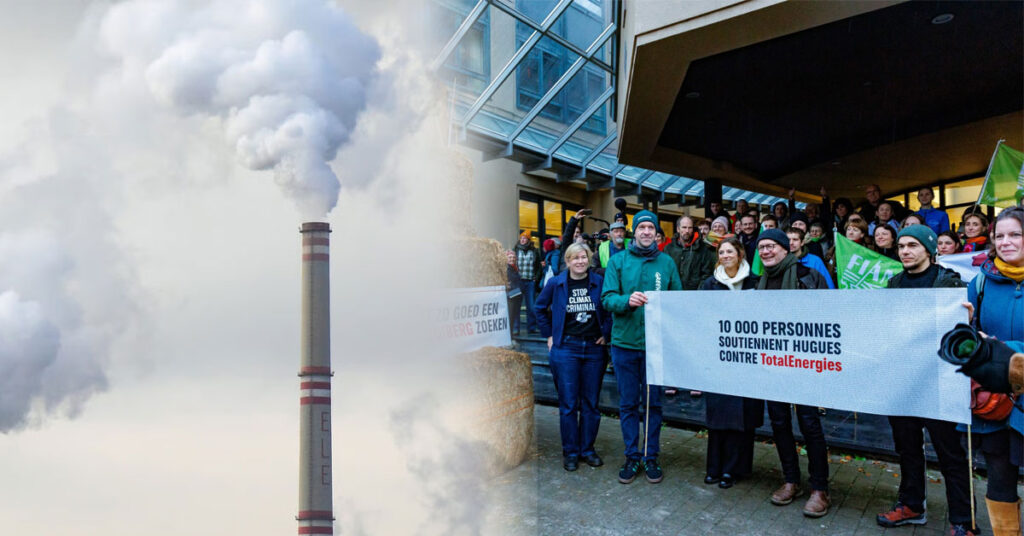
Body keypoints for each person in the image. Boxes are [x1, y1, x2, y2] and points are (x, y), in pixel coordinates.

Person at [877, 226, 977, 535]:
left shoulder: (951, 283)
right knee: (907, 447)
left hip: (940, 383)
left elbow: (966, 335)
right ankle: (912, 505)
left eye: (913, 245)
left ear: (929, 249)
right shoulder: (893, 284)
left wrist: (969, 321)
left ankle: (963, 519)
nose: (905, 251)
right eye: (902, 245)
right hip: (904, 382)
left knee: (950, 454)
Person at [754, 229, 832, 518]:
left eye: (771, 246)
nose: (765, 251)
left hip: (804, 365)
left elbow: (826, 317)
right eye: (761, 247)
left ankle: (819, 488)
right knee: (778, 422)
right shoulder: (758, 282)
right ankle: (791, 481)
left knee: (810, 424)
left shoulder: (809, 277)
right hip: (772, 365)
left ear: (786, 249)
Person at [601, 210, 682, 485]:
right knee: (627, 403)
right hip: (624, 344)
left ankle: (651, 456)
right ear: (634, 232)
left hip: (655, 346)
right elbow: (607, 299)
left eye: (651, 228)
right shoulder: (618, 261)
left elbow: (678, 301)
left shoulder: (667, 263)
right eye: (642, 227)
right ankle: (631, 456)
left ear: (657, 233)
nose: (646, 232)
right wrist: (626, 301)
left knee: (653, 404)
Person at [962, 207, 1024, 536]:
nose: (1006, 242)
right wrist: (967, 331)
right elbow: (964, 339)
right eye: (1000, 235)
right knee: (1000, 476)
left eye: (1015, 234)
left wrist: (1002, 349)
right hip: (996, 399)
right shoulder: (981, 281)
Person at [535, 243, 611, 472]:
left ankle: (587, 449)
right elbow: (539, 308)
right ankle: (570, 452)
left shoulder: (599, 282)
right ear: (567, 261)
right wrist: (549, 334)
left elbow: (609, 310)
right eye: (574, 258)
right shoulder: (556, 283)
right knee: (568, 404)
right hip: (566, 348)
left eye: (583, 257)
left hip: (594, 350)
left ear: (589, 259)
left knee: (590, 403)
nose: (580, 261)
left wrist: (605, 333)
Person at [699, 238, 763, 489]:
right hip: (719, 358)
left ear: (740, 254)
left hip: (747, 360)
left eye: (730, 251)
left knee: (742, 417)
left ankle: (734, 469)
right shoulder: (709, 284)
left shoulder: (755, 282)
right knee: (718, 415)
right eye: (721, 252)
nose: (725, 255)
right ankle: (714, 467)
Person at [663, 215, 717, 291]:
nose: (687, 231)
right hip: (673, 294)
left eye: (690, 227)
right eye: (684, 227)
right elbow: (665, 273)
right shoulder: (669, 249)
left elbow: (706, 274)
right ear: (678, 229)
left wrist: (698, 293)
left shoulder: (703, 248)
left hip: (695, 295)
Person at [514, 231, 542, 334]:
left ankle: (531, 328)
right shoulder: (515, 250)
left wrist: (536, 278)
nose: (522, 240)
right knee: (517, 305)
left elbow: (539, 267)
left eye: (525, 238)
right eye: (521, 238)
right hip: (518, 282)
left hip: (530, 282)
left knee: (531, 306)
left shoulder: (534, 251)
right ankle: (516, 328)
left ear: (528, 240)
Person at [505, 250, 523, 334]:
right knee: (511, 316)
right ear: (506, 258)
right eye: (509, 257)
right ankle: (510, 335)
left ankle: (513, 332)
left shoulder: (515, 268)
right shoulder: (506, 268)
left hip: (516, 294)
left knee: (514, 315)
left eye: (513, 257)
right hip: (511, 295)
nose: (512, 259)